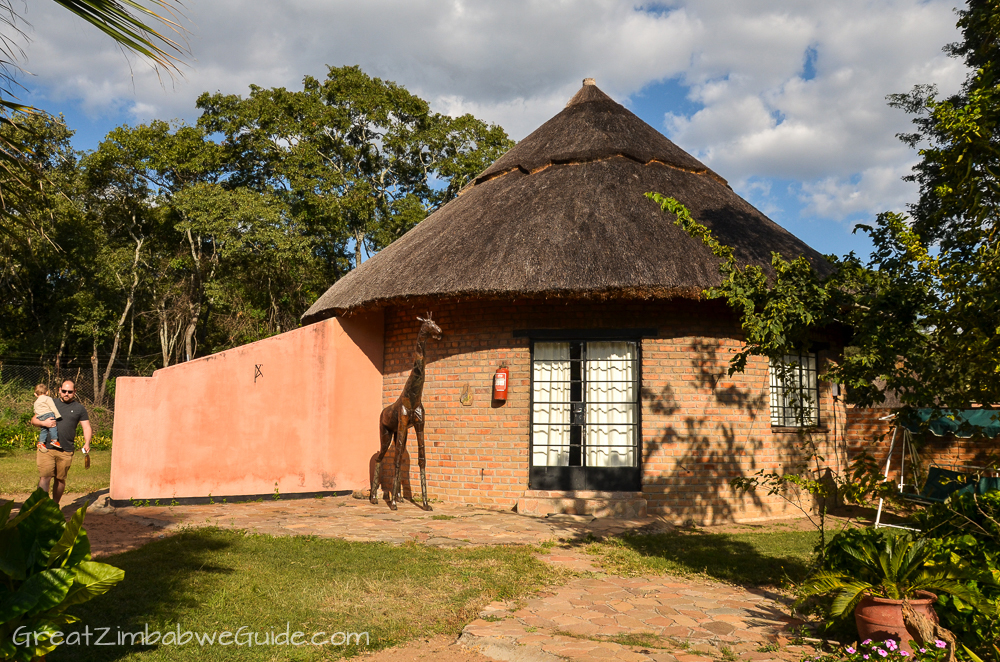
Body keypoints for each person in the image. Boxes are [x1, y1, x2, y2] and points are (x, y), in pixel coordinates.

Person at [31, 379, 91, 505]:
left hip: (66, 449)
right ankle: (41, 507)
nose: (66, 393)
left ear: (74, 392)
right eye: (64, 391)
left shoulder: (79, 408)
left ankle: (54, 505)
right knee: (45, 477)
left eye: (69, 391)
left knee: (60, 479)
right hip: (46, 448)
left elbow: (86, 427)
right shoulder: (49, 401)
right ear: (59, 390)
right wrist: (43, 423)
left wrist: (87, 443)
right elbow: (34, 420)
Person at [32, 384, 63, 449]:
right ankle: (54, 440)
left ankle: (41, 442)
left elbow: (35, 411)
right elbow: (53, 407)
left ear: (35, 394)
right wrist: (57, 415)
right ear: (47, 392)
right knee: (52, 426)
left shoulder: (36, 402)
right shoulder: (48, 398)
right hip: (48, 414)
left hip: (40, 416)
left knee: (44, 429)